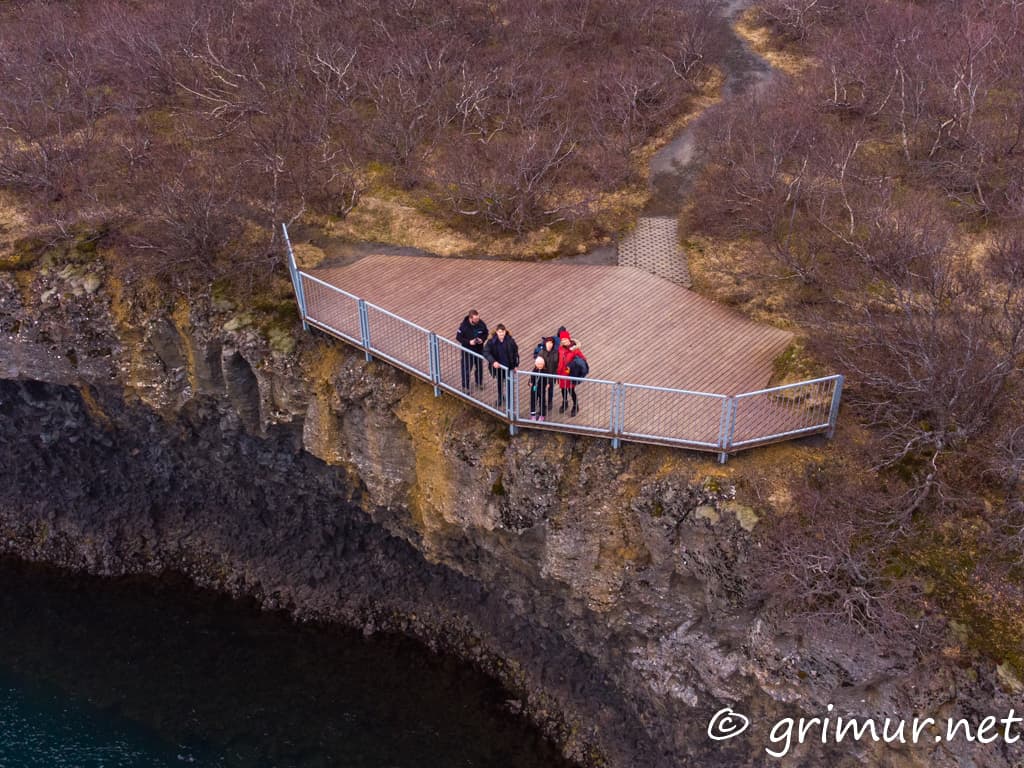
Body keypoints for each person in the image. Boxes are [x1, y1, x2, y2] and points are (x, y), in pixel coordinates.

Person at [483, 324, 519, 408]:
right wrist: (493, 361)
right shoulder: (492, 341)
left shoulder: (510, 341)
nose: (501, 334)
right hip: (499, 367)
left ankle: (510, 399)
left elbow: (515, 353)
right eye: (500, 332)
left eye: (503, 332)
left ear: (505, 332)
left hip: (509, 366)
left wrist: (515, 365)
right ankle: (500, 397)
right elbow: (485, 352)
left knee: (509, 383)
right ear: (496, 332)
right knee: (499, 382)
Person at [456, 309, 488, 391]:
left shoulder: (481, 323)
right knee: (466, 368)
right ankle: (465, 387)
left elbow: (486, 333)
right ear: (470, 319)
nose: (477, 320)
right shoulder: (464, 326)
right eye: (475, 319)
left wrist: (482, 339)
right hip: (468, 351)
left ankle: (479, 382)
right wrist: (469, 342)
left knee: (479, 367)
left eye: (478, 318)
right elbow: (458, 337)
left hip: (479, 349)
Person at [556, 331, 582, 416]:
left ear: (569, 339)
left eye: (565, 339)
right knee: (563, 390)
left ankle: (575, 405)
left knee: (571, 390)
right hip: (561, 373)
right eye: (562, 339)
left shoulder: (575, 350)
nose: (564, 341)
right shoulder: (560, 349)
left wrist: (573, 366)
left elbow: (582, 359)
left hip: (570, 374)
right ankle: (565, 403)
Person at [539, 336, 560, 414]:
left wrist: (555, 374)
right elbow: (538, 364)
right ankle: (542, 403)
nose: (549, 344)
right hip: (543, 374)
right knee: (542, 390)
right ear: (545, 343)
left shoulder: (555, 352)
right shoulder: (541, 352)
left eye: (551, 343)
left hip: (552, 373)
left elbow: (557, 363)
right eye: (548, 343)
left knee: (550, 389)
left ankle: (550, 402)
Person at [529, 356, 548, 421]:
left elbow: (547, 379)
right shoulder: (534, 370)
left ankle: (542, 415)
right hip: (534, 388)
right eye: (539, 364)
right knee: (533, 401)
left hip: (542, 388)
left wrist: (548, 384)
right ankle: (533, 415)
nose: (540, 366)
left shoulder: (545, 371)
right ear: (536, 364)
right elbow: (531, 379)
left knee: (542, 401)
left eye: (541, 364)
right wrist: (530, 383)